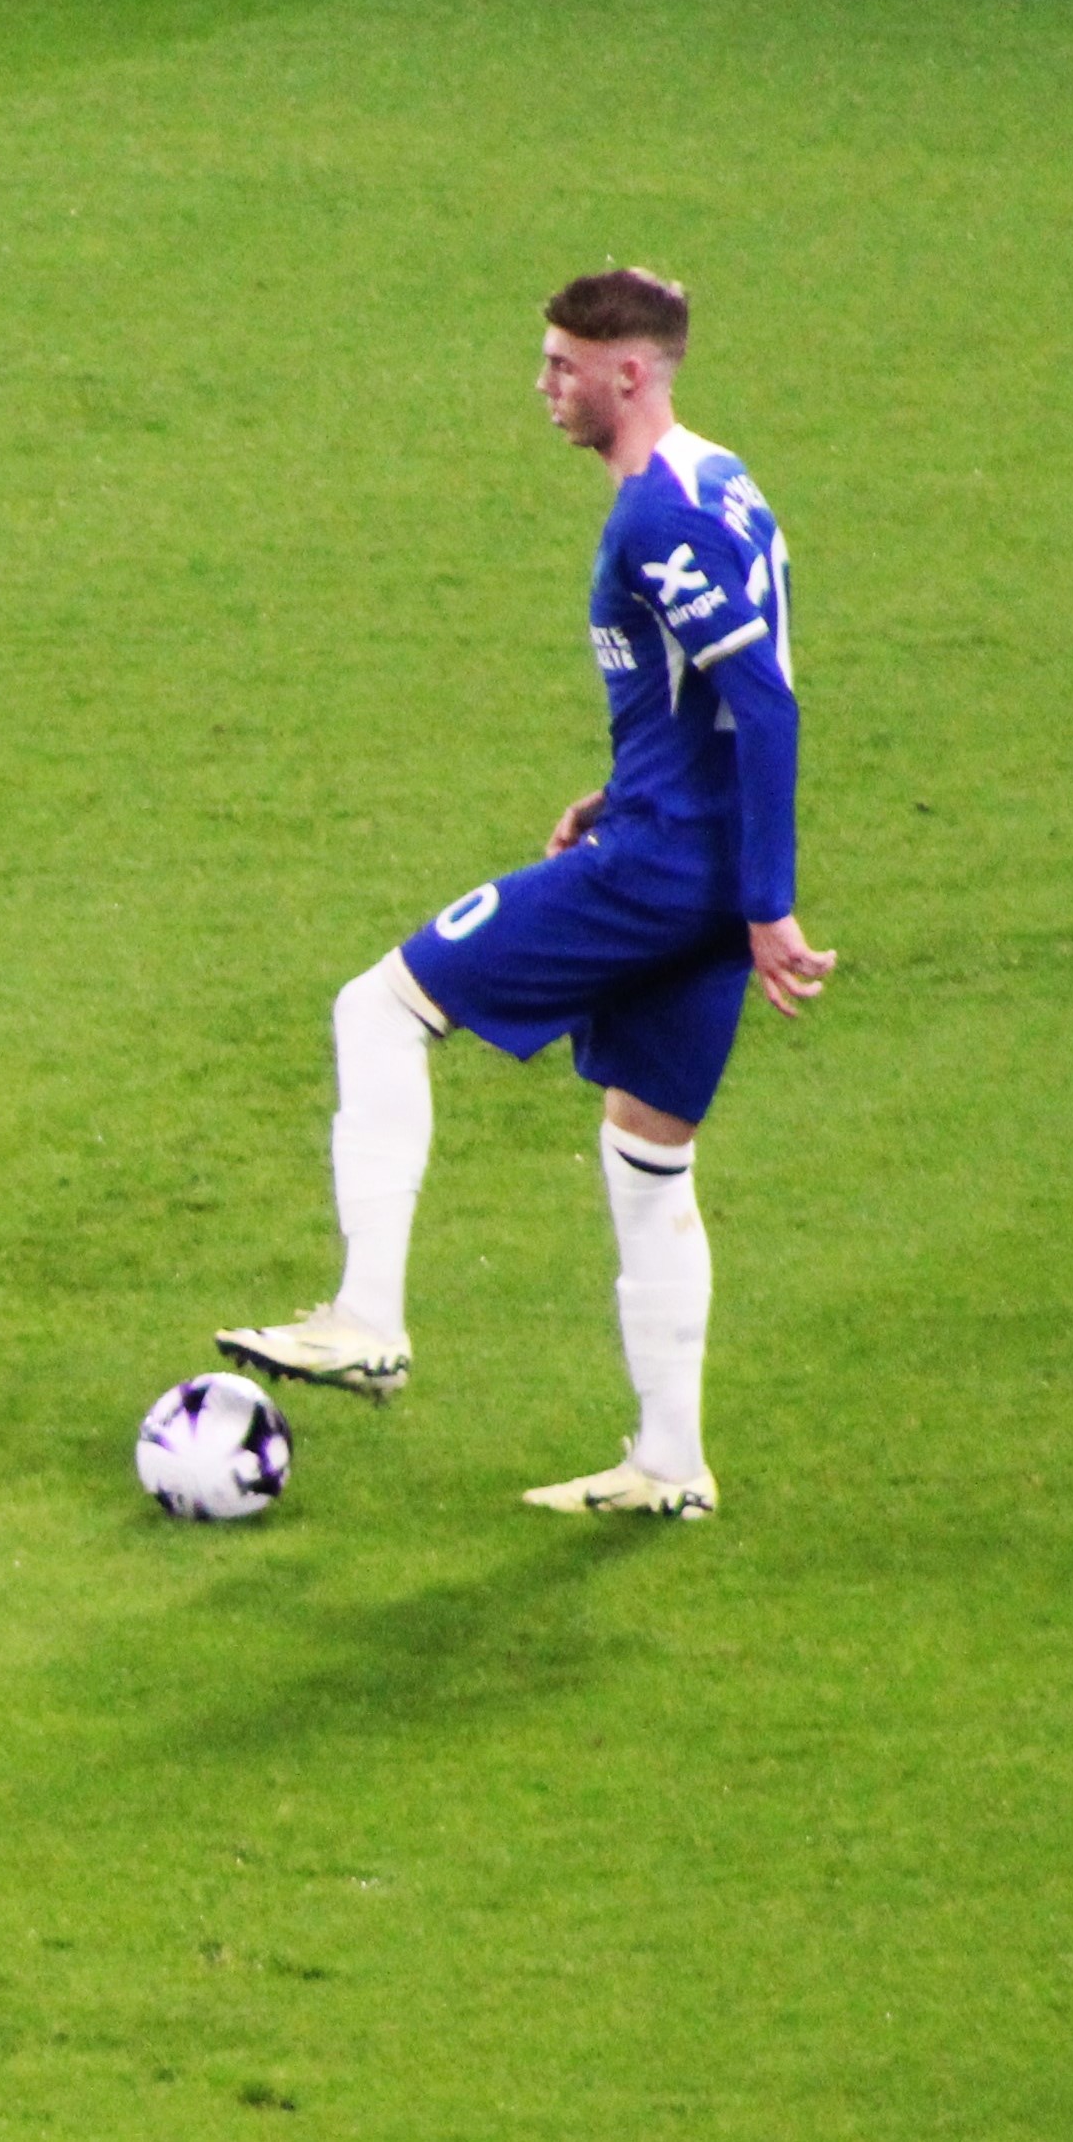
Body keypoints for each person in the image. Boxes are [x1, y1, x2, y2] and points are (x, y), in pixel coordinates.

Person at [213, 269, 834, 1520]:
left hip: (669, 871)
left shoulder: (656, 516)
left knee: (379, 1008)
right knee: (648, 1156)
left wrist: (769, 901)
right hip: (688, 854)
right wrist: (628, 789)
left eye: (563, 365)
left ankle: (367, 1318)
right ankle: (670, 1462)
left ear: (628, 372)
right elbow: (715, 696)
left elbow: (767, 702)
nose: (543, 385)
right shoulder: (722, 478)